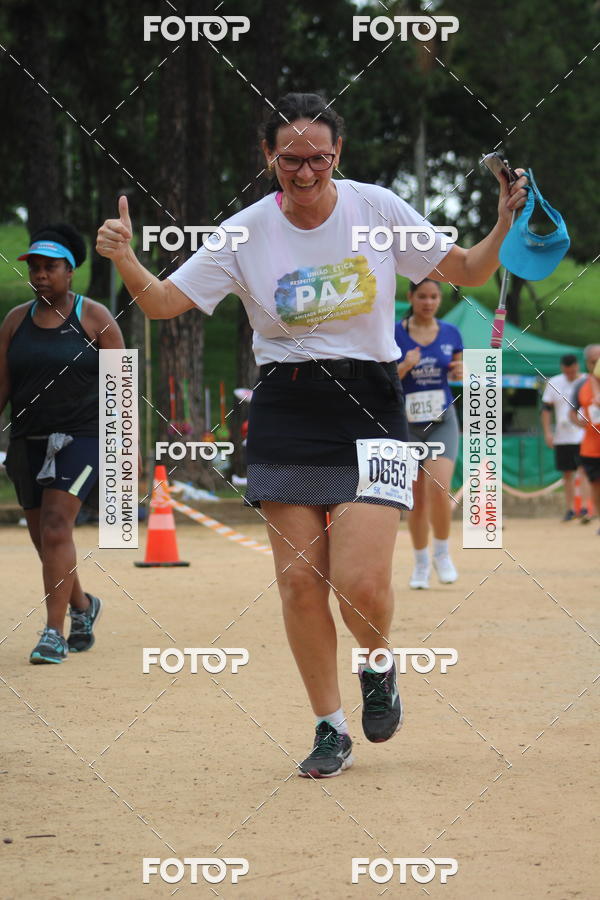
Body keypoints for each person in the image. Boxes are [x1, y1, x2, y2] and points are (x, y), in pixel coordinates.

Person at [96, 92, 527, 777]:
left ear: (338, 156)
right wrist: (124, 259)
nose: (305, 171)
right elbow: (165, 303)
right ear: (269, 158)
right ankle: (330, 728)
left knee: (359, 583)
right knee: (300, 584)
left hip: (371, 405)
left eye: (318, 158)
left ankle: (378, 664)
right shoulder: (244, 233)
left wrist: (502, 223)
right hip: (287, 408)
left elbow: (469, 271)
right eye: (290, 158)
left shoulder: (376, 208)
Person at [0, 224, 125, 663]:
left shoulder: (95, 319)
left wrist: (127, 453)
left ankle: (52, 633)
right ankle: (83, 607)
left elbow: (120, 392)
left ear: (70, 272)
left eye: (49, 267)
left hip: (82, 439)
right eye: (34, 267)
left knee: (56, 528)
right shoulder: (15, 321)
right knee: (44, 540)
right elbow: (2, 386)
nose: (39, 275)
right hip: (28, 441)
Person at [395, 279, 463, 589]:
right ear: (410, 297)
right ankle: (421, 563)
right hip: (407, 425)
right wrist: (404, 367)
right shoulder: (394, 333)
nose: (428, 302)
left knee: (439, 489)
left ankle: (442, 553)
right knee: (416, 501)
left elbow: (457, 369)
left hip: (441, 420)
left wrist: (458, 372)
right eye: (422, 296)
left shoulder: (451, 333)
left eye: (434, 296)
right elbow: (383, 378)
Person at [541, 353, 590, 521]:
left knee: (583, 471)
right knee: (567, 474)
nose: (570, 375)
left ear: (577, 366)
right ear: (562, 369)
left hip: (582, 434)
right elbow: (546, 408)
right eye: (566, 372)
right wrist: (548, 432)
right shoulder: (554, 382)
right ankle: (569, 509)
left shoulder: (587, 380)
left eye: (572, 371)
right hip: (562, 436)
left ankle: (584, 508)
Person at [569, 345, 600, 533]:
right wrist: (583, 424)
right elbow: (572, 412)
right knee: (596, 485)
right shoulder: (582, 385)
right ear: (588, 363)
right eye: (595, 361)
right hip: (591, 446)